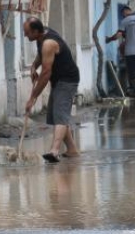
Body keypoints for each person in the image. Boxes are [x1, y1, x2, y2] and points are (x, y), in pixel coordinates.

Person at [24, 17, 80, 163]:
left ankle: (54, 151)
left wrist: (33, 98)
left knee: (60, 115)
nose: (25, 35)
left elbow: (46, 73)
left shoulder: (49, 43)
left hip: (67, 80)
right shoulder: (42, 35)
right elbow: (40, 54)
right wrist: (33, 66)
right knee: (57, 115)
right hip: (58, 80)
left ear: (36, 31)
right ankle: (72, 150)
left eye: (27, 32)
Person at [107, 6, 135, 98]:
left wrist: (109, 39)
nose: (123, 15)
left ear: (125, 12)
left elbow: (118, 35)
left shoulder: (125, 21)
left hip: (130, 52)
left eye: (123, 13)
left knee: (133, 71)